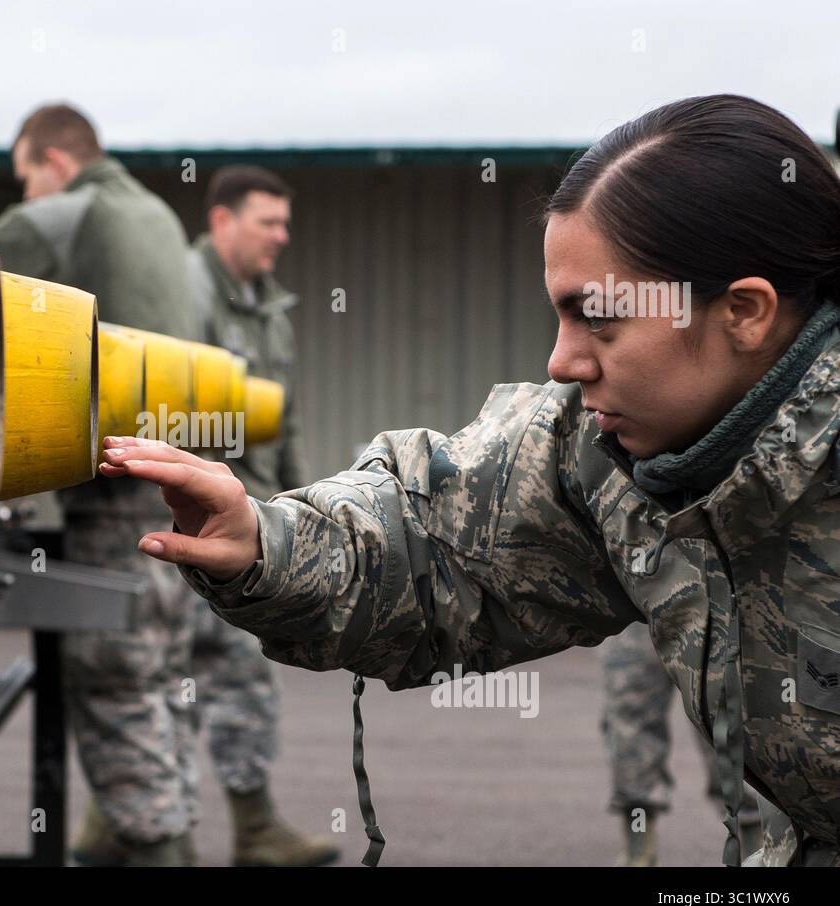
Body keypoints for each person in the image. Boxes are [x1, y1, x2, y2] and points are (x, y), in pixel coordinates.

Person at [97, 93, 840, 866]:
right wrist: (264, 540)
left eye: (600, 321)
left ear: (746, 313)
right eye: (561, 316)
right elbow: (441, 541)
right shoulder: (608, 454)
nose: (562, 362)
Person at [0, 103, 201, 865]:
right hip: (178, 480)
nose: (26, 193)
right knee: (160, 674)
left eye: (25, 177)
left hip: (116, 498)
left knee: (111, 677)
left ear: (55, 165)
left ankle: (160, 851)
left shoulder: (69, 210)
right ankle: (155, 832)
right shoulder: (158, 216)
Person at [182, 165, 336, 866]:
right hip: (198, 520)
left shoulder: (268, 307)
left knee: (209, 675)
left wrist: (304, 507)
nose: (281, 236)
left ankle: (242, 826)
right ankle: (184, 832)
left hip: (257, 516)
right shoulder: (184, 293)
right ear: (222, 221)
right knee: (182, 676)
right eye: (266, 222)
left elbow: (288, 417)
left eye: (284, 222)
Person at [601, 621, 761, 865]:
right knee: (630, 720)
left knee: (725, 715)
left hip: (708, 600)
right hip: (633, 603)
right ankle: (639, 850)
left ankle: (754, 845)